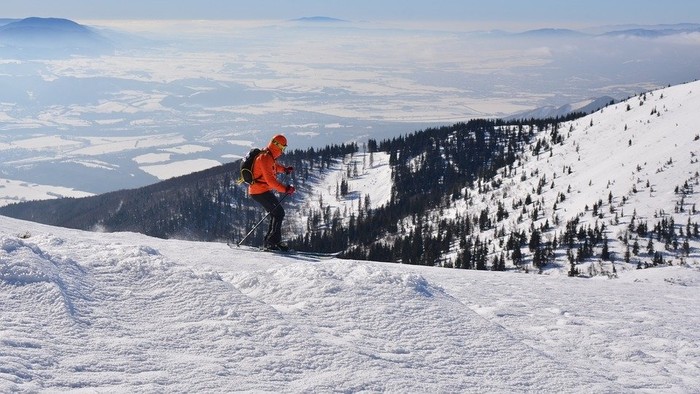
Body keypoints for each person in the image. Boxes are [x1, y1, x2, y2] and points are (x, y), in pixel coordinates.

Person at [249, 134, 295, 251]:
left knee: (276, 213)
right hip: (259, 191)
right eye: (283, 148)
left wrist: (284, 169)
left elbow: (273, 167)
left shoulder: (268, 155)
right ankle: (272, 242)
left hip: (261, 190)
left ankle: (271, 242)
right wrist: (286, 189)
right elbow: (271, 182)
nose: (283, 151)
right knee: (278, 213)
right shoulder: (265, 157)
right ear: (277, 146)